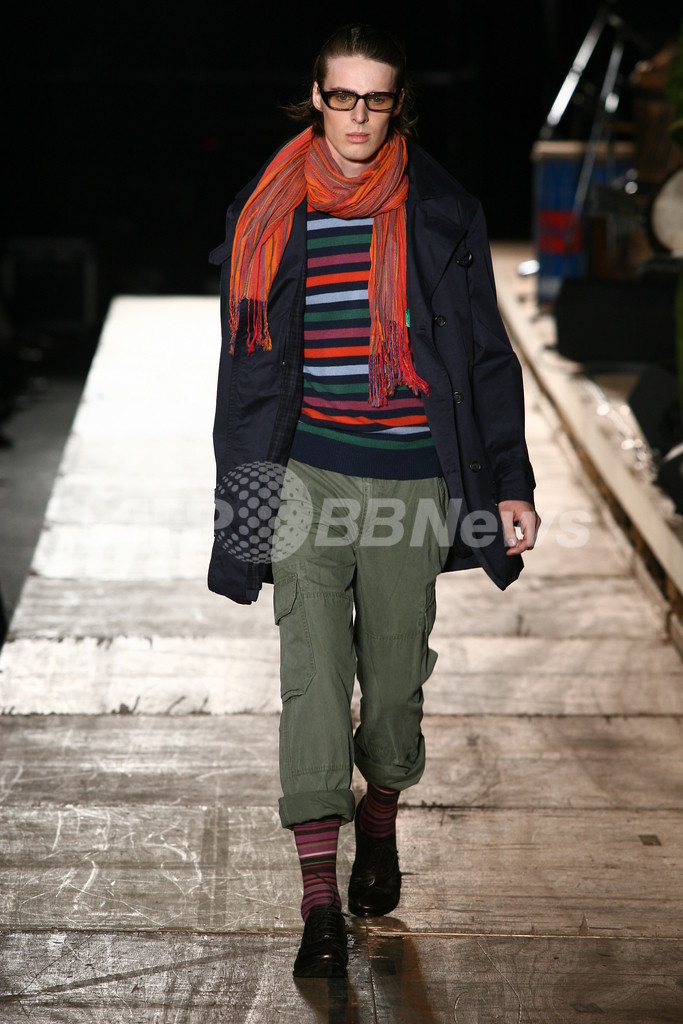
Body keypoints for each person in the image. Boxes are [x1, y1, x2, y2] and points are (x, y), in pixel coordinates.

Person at [208, 22, 540, 978]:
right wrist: (242, 497)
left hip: (410, 483)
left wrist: (509, 485)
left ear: (398, 105)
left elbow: (484, 358)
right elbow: (246, 375)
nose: (358, 116)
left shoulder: (441, 214)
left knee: (392, 690)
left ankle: (381, 810)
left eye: (376, 98)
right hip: (305, 476)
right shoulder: (267, 210)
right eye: (342, 96)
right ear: (316, 97)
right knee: (311, 678)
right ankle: (317, 899)